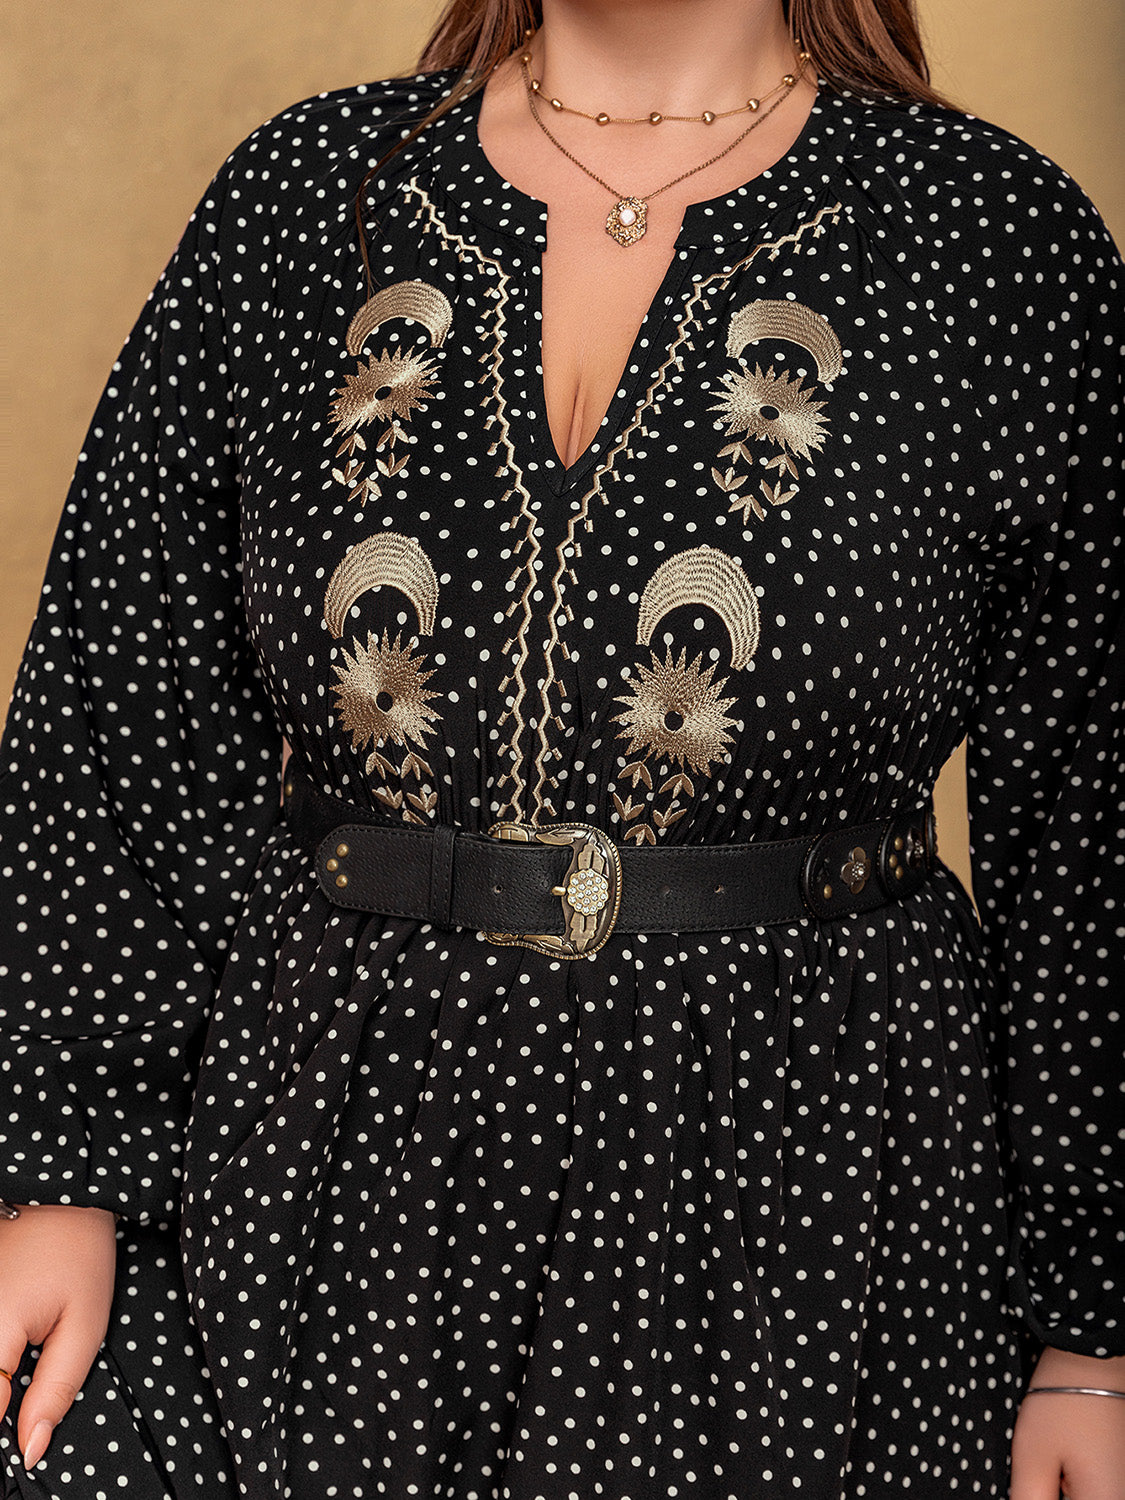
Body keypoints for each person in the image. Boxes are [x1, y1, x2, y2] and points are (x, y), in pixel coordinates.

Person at [1, 0, 1122, 1495]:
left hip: (810, 1198)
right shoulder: (306, 191)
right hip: (319, 1168)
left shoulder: (993, 236)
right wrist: (62, 1174)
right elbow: (118, 714)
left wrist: (1094, 1339)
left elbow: (1095, 822)